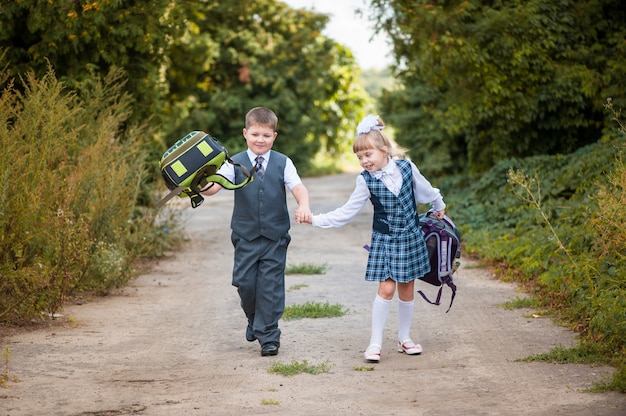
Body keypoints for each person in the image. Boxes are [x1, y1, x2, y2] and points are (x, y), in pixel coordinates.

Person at [300, 114, 446, 362]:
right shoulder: (365, 181)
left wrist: (438, 203)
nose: (364, 161)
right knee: (386, 288)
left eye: (368, 155)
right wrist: (315, 219)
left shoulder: (406, 168)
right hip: (386, 241)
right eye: (359, 157)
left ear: (385, 150)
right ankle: (375, 343)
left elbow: (426, 190)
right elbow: (347, 212)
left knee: (407, 288)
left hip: (410, 238)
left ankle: (405, 339)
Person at [201, 107, 312, 356]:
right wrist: (197, 185)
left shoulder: (284, 163)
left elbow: (298, 188)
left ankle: (269, 336)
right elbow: (212, 188)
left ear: (274, 136)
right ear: (245, 133)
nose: (260, 140)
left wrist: (303, 205)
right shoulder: (234, 162)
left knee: (270, 286)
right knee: (245, 284)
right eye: (255, 134)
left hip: (275, 237)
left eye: (266, 135)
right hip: (245, 236)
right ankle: (254, 320)